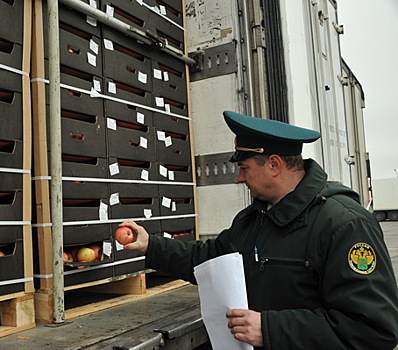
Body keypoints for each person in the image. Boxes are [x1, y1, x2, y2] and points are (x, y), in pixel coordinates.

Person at [119, 111, 398, 350]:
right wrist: (150, 246)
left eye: (244, 168)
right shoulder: (254, 218)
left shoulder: (344, 224)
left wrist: (270, 329)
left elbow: (373, 330)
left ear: (274, 165)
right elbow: (210, 259)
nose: (240, 177)